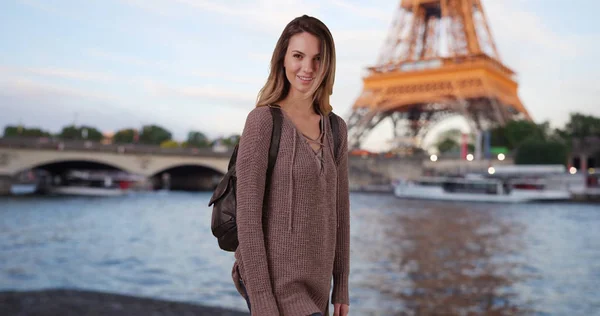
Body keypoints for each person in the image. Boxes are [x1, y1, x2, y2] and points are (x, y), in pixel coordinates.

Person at [231, 15, 350, 316]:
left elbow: (340, 213)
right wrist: (262, 300)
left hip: (318, 286)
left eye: (317, 58)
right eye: (298, 56)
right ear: (283, 59)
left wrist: (342, 285)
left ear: (327, 65)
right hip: (275, 285)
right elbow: (247, 219)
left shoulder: (336, 130)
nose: (307, 68)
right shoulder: (262, 122)